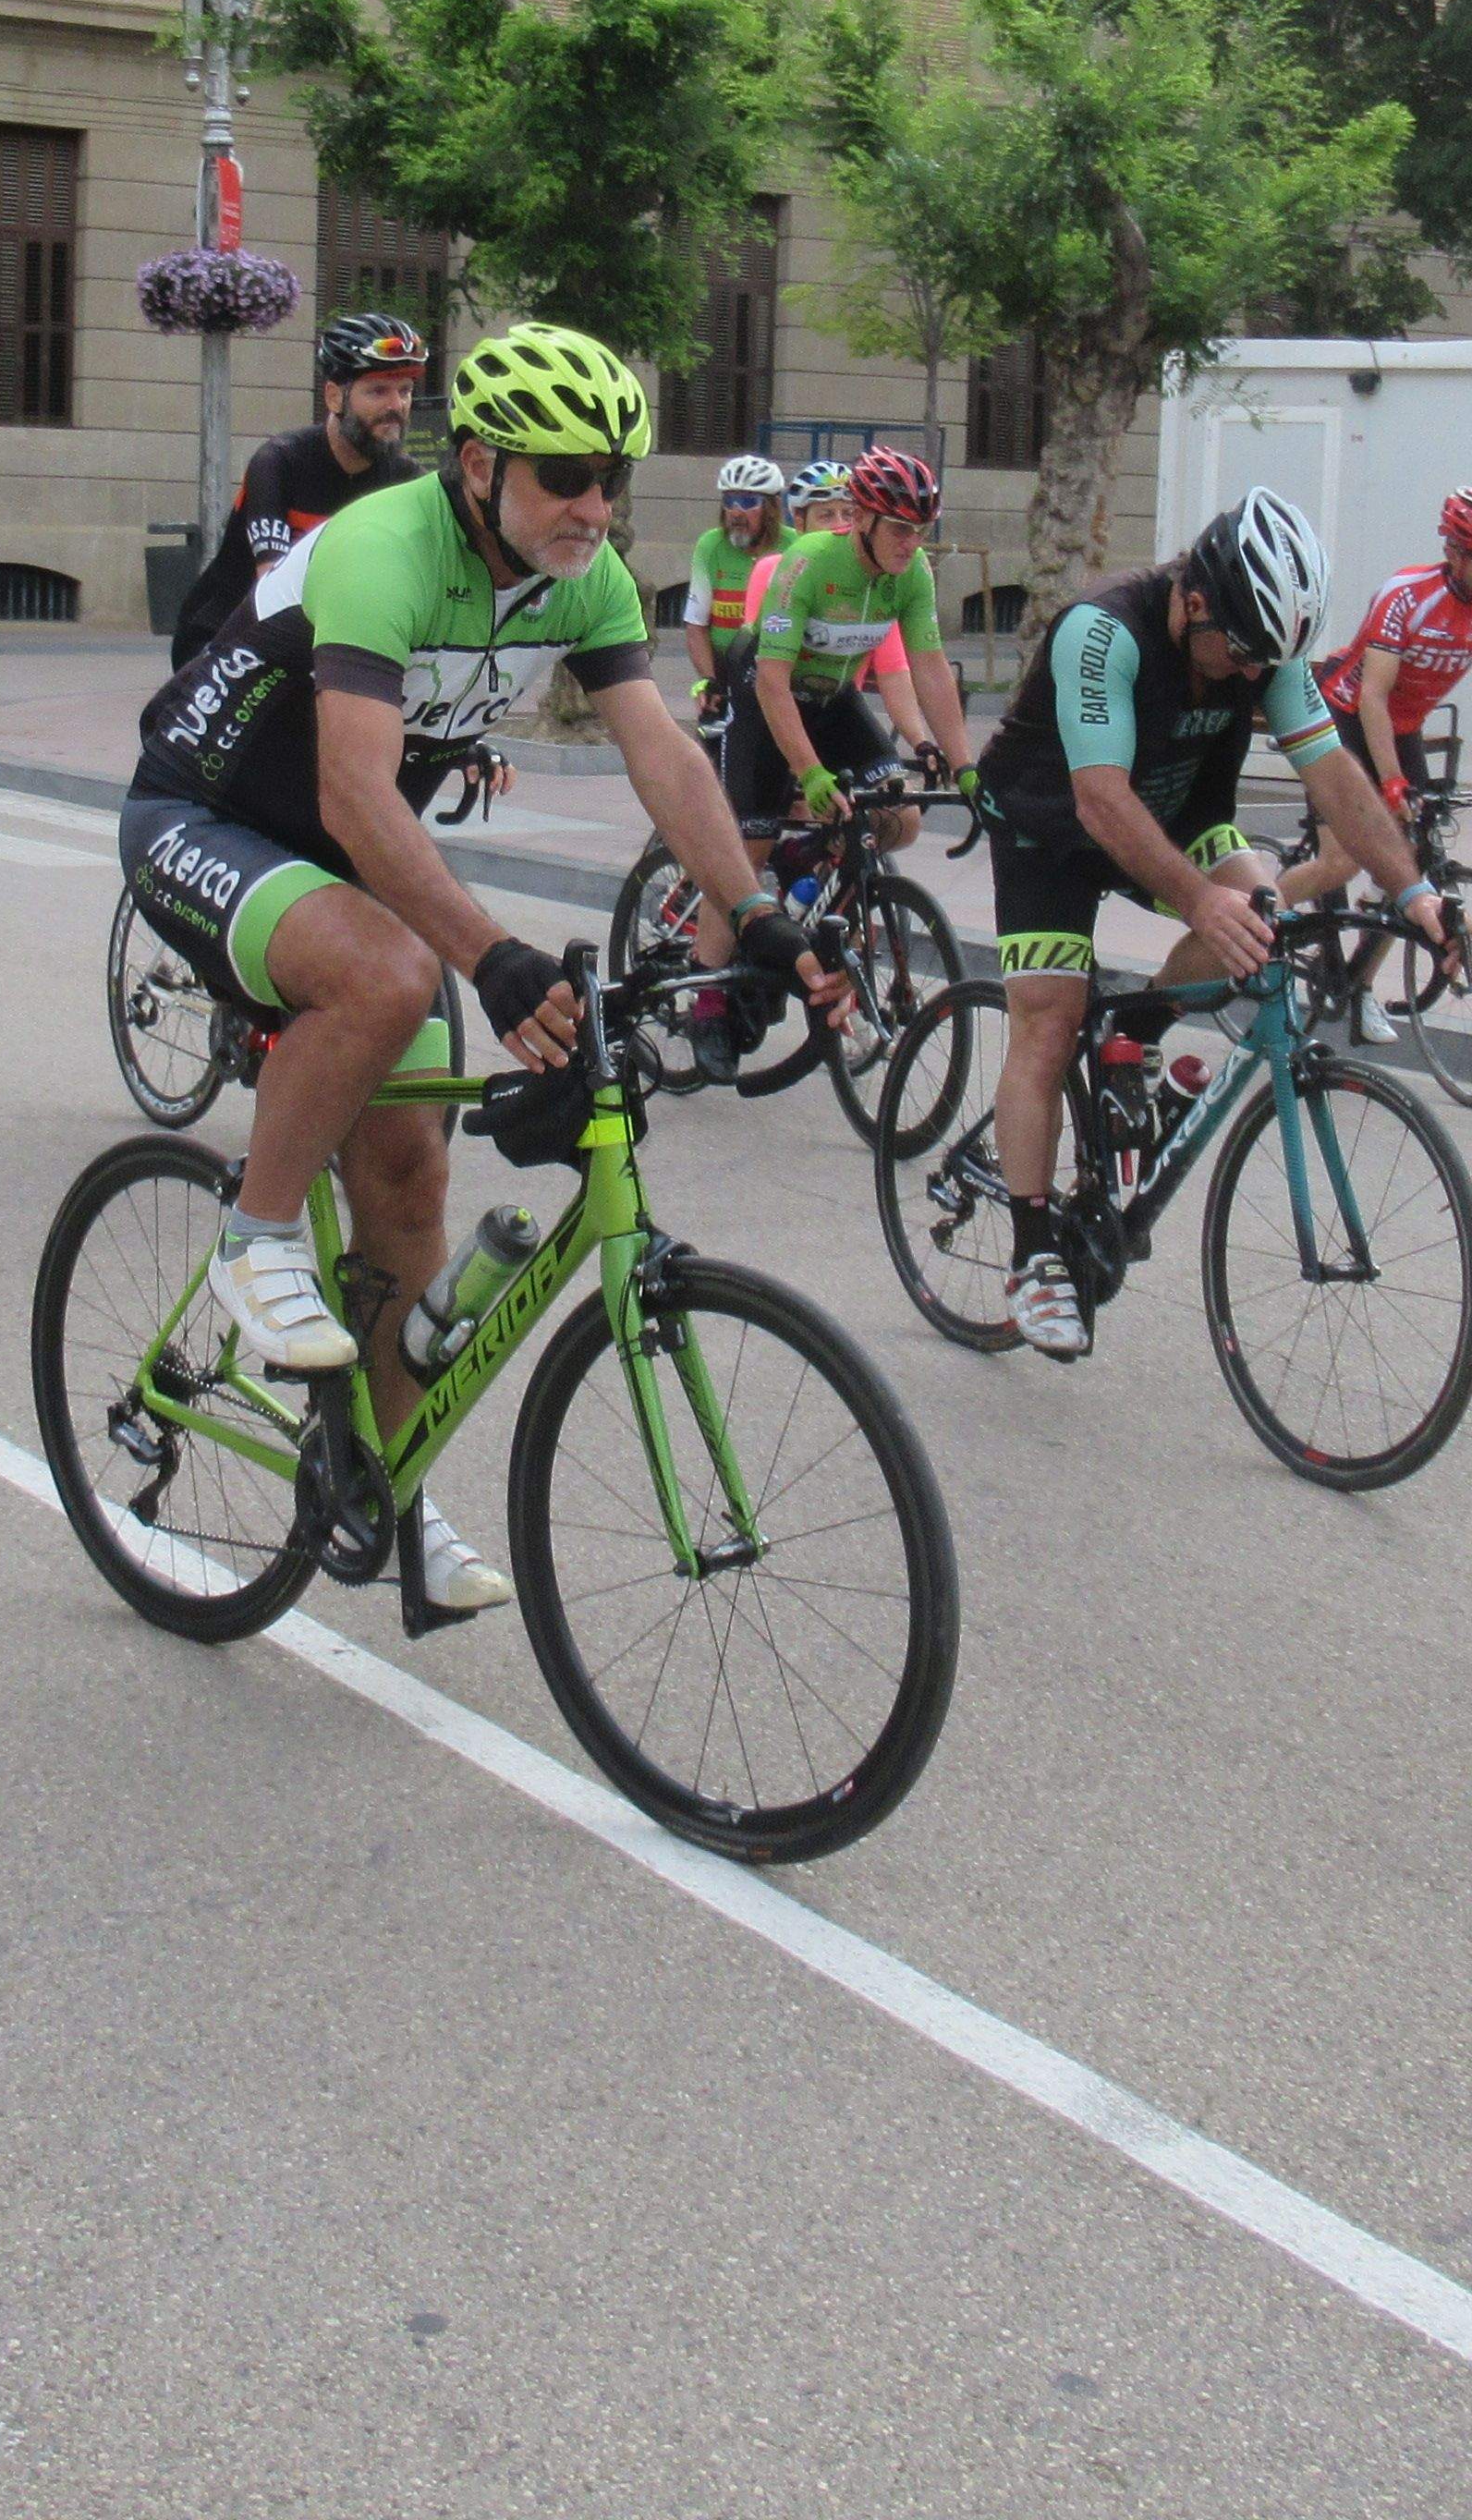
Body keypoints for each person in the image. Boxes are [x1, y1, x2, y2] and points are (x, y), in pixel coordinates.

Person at [120, 320, 844, 1613]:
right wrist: (492, 956)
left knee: (410, 1174)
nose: (591, 503)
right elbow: (352, 793)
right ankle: (255, 1236)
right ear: (476, 462)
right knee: (397, 974)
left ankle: (380, 1485)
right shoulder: (383, 546)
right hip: (204, 817)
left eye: (610, 476)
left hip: (338, 862)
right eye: (563, 472)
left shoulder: (589, 575)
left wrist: (760, 910)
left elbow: (666, 758)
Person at [970, 489, 1457, 1360]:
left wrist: (1413, 892)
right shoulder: (1103, 632)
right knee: (1049, 1021)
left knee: (1260, 909)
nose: (1246, 674)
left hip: (1173, 808)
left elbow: (1335, 775)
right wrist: (1200, 900)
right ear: (1195, 598)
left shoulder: (1260, 644)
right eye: (1236, 651)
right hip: (1053, 821)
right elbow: (1100, 799)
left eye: (1263, 662)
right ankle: (1034, 1249)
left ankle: (1143, 1034)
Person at [676, 444, 974, 1077]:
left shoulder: (912, 573)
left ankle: (812, 872)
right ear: (861, 518)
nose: (910, 542)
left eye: (920, 530)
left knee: (900, 816)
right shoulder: (807, 563)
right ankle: (705, 998)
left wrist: (964, 763)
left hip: (832, 698)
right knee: (745, 854)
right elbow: (774, 682)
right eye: (899, 528)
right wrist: (809, 774)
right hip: (766, 692)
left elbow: (927, 668)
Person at [169, 310, 432, 661]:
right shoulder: (280, 463)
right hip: (222, 640)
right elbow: (274, 586)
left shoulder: (407, 480)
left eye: (405, 391)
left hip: (315, 644)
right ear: (335, 397)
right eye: (378, 391)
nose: (396, 406)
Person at [1320, 486, 1472, 826]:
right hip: (1347, 713)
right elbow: (1373, 695)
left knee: (1419, 844)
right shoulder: (1406, 595)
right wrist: (1392, 781)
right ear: (1454, 552)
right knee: (1340, 859)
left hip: (1403, 726)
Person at [681, 452, 790, 715]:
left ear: (772, 508)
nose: (737, 512)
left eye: (748, 501)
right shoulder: (710, 545)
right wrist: (710, 680)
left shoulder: (795, 546)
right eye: (730, 501)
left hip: (780, 672)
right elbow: (696, 625)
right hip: (725, 670)